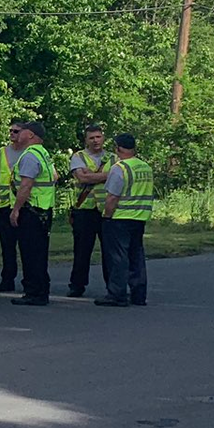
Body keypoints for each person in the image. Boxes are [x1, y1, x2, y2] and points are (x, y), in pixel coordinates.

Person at [95, 133, 153, 307]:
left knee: (118, 258)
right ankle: (139, 295)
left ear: (118, 148)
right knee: (136, 256)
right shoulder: (145, 167)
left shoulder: (119, 168)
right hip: (139, 218)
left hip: (120, 218)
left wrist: (106, 215)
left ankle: (117, 294)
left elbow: (112, 197)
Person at [7, 120, 58, 306]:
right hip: (44, 209)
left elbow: (26, 185)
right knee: (39, 253)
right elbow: (54, 176)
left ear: (30, 135)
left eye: (22, 131)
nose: (17, 134)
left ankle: (34, 292)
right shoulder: (43, 153)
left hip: (31, 211)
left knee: (30, 254)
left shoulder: (29, 156)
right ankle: (41, 289)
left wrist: (16, 210)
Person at [64, 124, 113, 298]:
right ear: (86, 140)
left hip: (107, 209)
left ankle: (113, 286)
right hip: (84, 210)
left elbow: (120, 176)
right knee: (82, 251)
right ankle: (77, 286)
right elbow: (81, 177)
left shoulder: (112, 157)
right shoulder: (79, 157)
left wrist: (92, 176)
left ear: (103, 138)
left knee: (110, 251)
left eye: (98, 137)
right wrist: (107, 175)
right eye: (91, 138)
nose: (95, 141)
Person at [0, 129, 25, 293]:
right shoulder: (1, 152)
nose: (12, 134)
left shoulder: (30, 152)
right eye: (10, 131)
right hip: (4, 206)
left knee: (26, 247)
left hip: (24, 207)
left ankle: (28, 281)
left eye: (16, 131)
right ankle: (7, 279)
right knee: (7, 247)